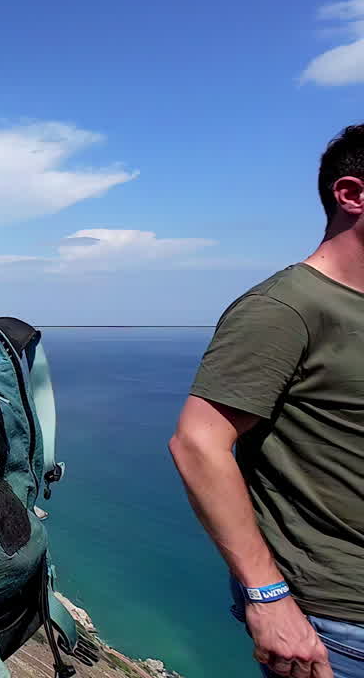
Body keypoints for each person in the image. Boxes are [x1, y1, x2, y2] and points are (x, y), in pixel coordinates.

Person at [170, 124, 364, 678]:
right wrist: (269, 598)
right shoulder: (284, 309)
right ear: (351, 194)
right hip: (338, 627)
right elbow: (197, 444)